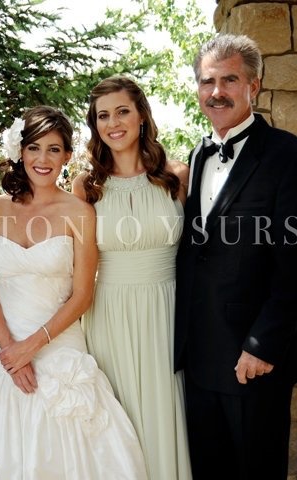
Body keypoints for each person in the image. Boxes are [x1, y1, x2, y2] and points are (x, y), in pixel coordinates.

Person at [0, 106, 147, 479]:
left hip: (59, 347)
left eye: (54, 150)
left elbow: (82, 295)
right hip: (3, 351)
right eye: (35, 148)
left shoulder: (80, 212)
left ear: (67, 157)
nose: (43, 159)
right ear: (20, 152)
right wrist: (11, 350)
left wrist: (33, 345)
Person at [174, 34, 297, 480]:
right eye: (207, 81)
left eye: (229, 80)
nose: (216, 91)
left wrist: (260, 345)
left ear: (253, 86)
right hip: (198, 355)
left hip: (252, 360)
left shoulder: (292, 158)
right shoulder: (198, 154)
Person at [72, 75, 192, 480]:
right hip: (108, 313)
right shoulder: (86, 186)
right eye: (103, 115)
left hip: (167, 309)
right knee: (118, 418)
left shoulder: (177, 176)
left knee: (164, 409)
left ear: (141, 115)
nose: (113, 122)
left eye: (122, 110)